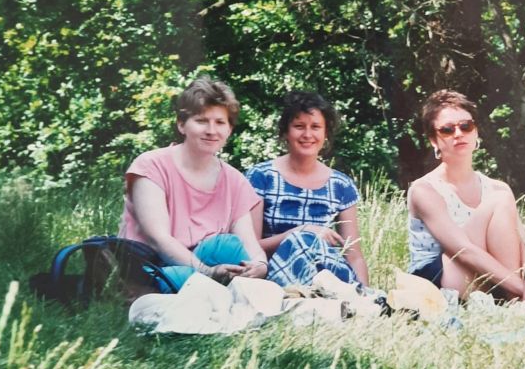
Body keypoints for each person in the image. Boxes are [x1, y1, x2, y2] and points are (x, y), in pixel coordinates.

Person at [119, 77, 268, 292]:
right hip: (152, 266)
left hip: (206, 263)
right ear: (182, 124)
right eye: (201, 121)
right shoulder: (151, 165)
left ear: (229, 129)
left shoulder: (235, 180)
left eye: (219, 122)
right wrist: (206, 272)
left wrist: (260, 265)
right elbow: (157, 239)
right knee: (194, 272)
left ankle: (229, 290)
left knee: (229, 246)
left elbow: (249, 243)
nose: (211, 130)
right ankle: (220, 291)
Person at [407, 90, 525, 301]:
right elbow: (464, 251)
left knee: (501, 194)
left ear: (476, 132)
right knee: (500, 199)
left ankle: (513, 299)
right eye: (447, 130)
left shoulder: (496, 187)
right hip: (439, 281)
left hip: (487, 278)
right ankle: (518, 297)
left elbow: (523, 244)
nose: (458, 134)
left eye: (466, 126)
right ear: (434, 140)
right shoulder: (424, 190)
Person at [246, 91, 369, 287]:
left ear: (325, 133)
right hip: (275, 280)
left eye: (316, 127)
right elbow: (250, 247)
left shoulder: (341, 185)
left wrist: (366, 295)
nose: (308, 135)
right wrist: (303, 232)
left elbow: (353, 256)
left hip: (325, 279)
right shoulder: (261, 177)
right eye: (299, 126)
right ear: (285, 132)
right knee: (304, 240)